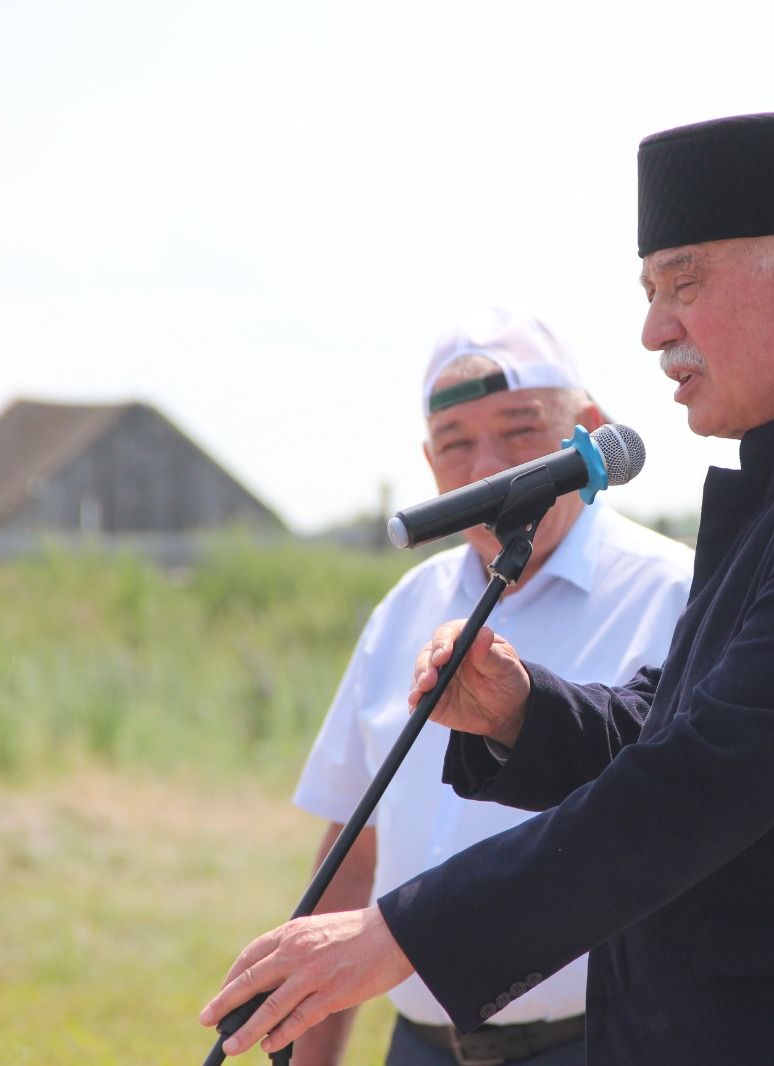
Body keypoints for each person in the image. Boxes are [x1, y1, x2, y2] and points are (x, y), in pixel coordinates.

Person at [202, 110, 774, 1065]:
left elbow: (706, 779)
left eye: (683, 283)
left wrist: (398, 935)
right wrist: (528, 712)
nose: (654, 330)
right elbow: (686, 725)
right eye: (650, 291)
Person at [286, 308, 694, 1066]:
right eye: (456, 444)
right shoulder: (405, 607)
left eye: (519, 432)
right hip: (421, 1048)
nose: (486, 472)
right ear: (428, 461)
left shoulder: (677, 592)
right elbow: (353, 845)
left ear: (591, 430)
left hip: (603, 1044)